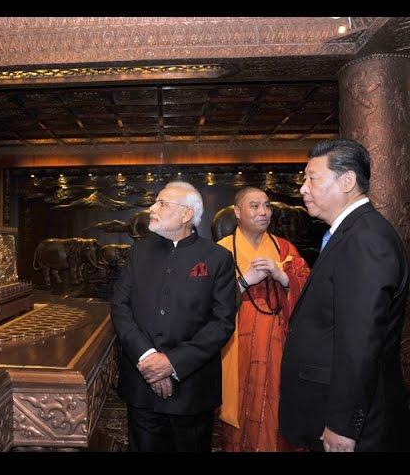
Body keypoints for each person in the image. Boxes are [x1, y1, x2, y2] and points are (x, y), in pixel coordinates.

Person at [279, 139, 410, 452]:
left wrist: (342, 423)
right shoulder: (348, 233)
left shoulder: (365, 239)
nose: (303, 189)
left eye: (312, 178)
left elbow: (360, 340)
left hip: (349, 422)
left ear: (347, 181)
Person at [111, 181, 237, 451]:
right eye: (155, 202)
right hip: (141, 384)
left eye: (162, 203)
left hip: (192, 389)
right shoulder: (138, 252)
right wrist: (149, 360)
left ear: (186, 215)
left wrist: (172, 363)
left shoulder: (218, 258)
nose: (152, 208)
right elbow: (120, 307)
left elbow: (222, 323)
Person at [217, 187, 310, 451]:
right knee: (239, 414)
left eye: (267, 206)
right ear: (237, 212)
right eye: (254, 206)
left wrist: (283, 277)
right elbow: (202, 303)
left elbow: (312, 292)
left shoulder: (284, 249)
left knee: (277, 409)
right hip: (235, 347)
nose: (263, 212)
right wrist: (244, 282)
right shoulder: (220, 252)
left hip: (279, 348)